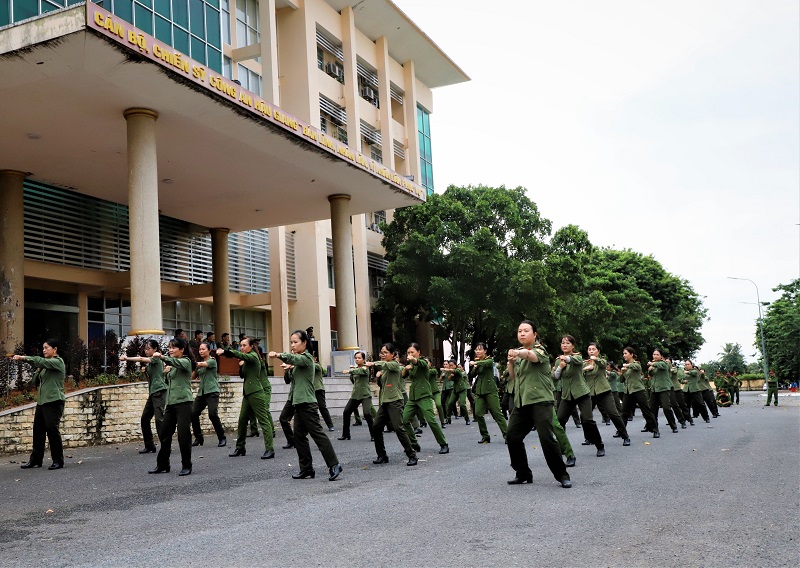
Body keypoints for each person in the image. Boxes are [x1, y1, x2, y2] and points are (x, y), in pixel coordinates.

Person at [505, 321, 571, 488]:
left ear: (534, 334)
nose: (522, 334)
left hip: (540, 401)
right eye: (519, 331)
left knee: (547, 439)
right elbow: (513, 377)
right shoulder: (518, 355)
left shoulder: (539, 350)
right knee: (512, 436)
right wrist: (511, 362)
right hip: (522, 403)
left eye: (526, 331)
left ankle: (562, 474)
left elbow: (531, 356)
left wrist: (518, 353)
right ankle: (523, 473)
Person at [269, 330, 342, 481]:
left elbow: (295, 359)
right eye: (291, 342)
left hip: (308, 403)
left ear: (304, 343)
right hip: (298, 403)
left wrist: (278, 355)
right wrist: (288, 369)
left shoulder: (308, 358)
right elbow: (289, 380)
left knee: (318, 434)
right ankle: (307, 469)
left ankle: (334, 464)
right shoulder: (297, 361)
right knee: (299, 436)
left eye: (295, 342)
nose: (293, 345)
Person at [218, 337, 275, 460]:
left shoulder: (254, 356)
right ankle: (240, 447)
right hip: (248, 393)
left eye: (244, 345)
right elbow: (243, 374)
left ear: (250, 346)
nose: (242, 348)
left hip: (256, 392)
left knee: (263, 421)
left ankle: (270, 449)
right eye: (240, 346)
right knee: (242, 420)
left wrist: (226, 351)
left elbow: (241, 356)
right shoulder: (246, 359)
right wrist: (240, 365)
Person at [14, 339, 66, 470]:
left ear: (55, 349)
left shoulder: (58, 362)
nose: (44, 350)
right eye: (43, 348)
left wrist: (23, 358)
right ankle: (36, 460)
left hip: (54, 401)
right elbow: (34, 381)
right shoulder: (45, 366)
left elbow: (40, 360)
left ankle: (58, 461)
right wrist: (38, 370)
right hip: (42, 402)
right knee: (38, 431)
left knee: (52, 430)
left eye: (46, 348)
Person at [366, 343, 418, 466]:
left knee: (398, 428)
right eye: (381, 352)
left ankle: (412, 455)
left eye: (385, 353)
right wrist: (379, 378)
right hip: (385, 402)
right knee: (376, 427)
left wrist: (374, 363)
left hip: (395, 401)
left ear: (393, 355)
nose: (382, 355)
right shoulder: (384, 369)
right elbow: (383, 384)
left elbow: (386, 365)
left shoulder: (395, 365)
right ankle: (382, 455)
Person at [150, 337, 195, 476]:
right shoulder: (172, 365)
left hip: (184, 403)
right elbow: (168, 383)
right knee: (165, 434)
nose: (170, 350)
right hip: (171, 403)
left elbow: (177, 362)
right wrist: (165, 373)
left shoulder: (186, 361)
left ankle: (186, 465)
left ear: (182, 349)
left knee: (184, 435)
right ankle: (163, 464)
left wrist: (162, 357)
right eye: (169, 347)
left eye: (173, 347)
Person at [555, 335, 605, 457]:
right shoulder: (558, 360)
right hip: (567, 395)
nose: (565, 345)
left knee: (587, 420)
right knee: (560, 420)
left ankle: (599, 445)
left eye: (567, 343)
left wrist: (566, 359)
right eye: (563, 343)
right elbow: (555, 377)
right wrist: (560, 367)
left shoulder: (577, 356)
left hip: (582, 393)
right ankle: (563, 447)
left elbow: (575, 361)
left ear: (573, 345)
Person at [401, 343, 449, 454]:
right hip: (413, 396)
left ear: (418, 352)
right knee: (405, 420)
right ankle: (414, 444)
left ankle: (443, 444)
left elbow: (421, 364)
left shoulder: (423, 362)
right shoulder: (410, 364)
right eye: (408, 352)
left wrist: (413, 361)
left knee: (431, 421)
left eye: (412, 352)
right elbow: (403, 376)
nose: (410, 354)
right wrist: (405, 369)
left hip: (424, 395)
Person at [120, 340, 166, 454]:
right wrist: (144, 373)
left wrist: (126, 358)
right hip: (153, 392)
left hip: (159, 391)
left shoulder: (156, 359)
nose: (146, 351)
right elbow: (149, 381)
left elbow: (140, 359)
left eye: (149, 348)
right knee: (145, 418)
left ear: (155, 349)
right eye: (145, 349)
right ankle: (150, 445)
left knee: (159, 419)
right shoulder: (150, 363)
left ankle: (166, 445)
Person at [584, 342, 630, 446]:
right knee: (585, 417)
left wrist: (595, 359)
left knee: (613, 414)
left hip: (604, 392)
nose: (591, 351)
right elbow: (579, 374)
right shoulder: (585, 363)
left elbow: (603, 364)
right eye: (589, 349)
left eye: (593, 349)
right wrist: (585, 369)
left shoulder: (601, 361)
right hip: (590, 393)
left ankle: (625, 436)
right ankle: (588, 438)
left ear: (598, 351)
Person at [190, 341, 227, 448]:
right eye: (200, 349)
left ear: (209, 350)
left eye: (203, 349)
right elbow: (192, 377)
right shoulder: (199, 365)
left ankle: (222, 438)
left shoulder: (212, 361)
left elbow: (203, 364)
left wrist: (194, 363)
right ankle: (199, 438)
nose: (201, 351)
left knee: (213, 414)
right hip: (202, 392)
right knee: (193, 413)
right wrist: (195, 367)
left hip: (212, 391)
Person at [469, 342, 508, 444]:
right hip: (480, 391)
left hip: (490, 390)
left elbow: (487, 364)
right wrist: (475, 367)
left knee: (497, 414)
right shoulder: (477, 362)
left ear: (485, 351)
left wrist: (477, 363)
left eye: (480, 349)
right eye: (476, 350)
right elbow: (472, 375)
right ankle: (485, 436)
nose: (477, 351)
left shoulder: (489, 360)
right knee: (478, 413)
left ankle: (507, 435)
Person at [620, 347, 659, 437]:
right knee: (624, 412)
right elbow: (622, 380)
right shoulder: (625, 366)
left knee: (646, 411)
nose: (624, 355)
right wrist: (622, 372)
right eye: (623, 354)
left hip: (638, 390)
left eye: (625, 353)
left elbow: (637, 367)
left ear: (631, 354)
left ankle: (655, 430)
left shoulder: (636, 364)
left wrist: (627, 366)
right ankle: (621, 431)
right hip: (628, 391)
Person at [338, 351, 375, 441]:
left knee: (367, 414)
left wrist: (350, 370)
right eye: (356, 358)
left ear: (363, 359)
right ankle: (346, 435)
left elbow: (360, 371)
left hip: (365, 395)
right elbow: (353, 380)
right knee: (346, 412)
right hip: (355, 395)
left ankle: (374, 435)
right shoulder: (355, 369)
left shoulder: (366, 368)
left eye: (359, 358)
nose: (357, 360)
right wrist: (351, 373)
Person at [647, 349, 679, 434]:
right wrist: (650, 370)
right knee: (653, 409)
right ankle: (655, 429)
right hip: (654, 389)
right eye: (654, 354)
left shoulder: (665, 363)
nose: (655, 356)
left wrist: (652, 364)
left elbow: (663, 366)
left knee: (666, 408)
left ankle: (673, 425)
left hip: (664, 388)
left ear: (661, 356)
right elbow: (651, 376)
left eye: (657, 354)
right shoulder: (653, 365)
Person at [313, 357, 335, 432]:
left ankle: (330, 425)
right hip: (309, 390)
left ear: (315, 359)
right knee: (312, 409)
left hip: (318, 389)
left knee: (322, 407)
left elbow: (312, 366)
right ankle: (316, 426)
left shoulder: (317, 366)